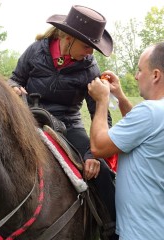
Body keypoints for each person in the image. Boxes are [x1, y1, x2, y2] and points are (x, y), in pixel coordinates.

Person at [8, 5, 118, 239]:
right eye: (87, 45)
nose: (90, 52)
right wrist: (13, 88)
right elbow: (15, 78)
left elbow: (101, 113)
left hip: (68, 124)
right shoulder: (36, 51)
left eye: (93, 47)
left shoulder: (90, 68)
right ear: (67, 38)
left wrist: (93, 155)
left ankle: (111, 230)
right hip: (29, 118)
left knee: (104, 172)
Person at [88, 42, 164, 240]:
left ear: (156, 75)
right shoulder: (156, 114)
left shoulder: (150, 112)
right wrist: (120, 97)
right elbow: (140, 132)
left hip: (142, 233)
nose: (137, 76)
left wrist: (102, 100)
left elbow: (98, 146)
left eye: (140, 70)